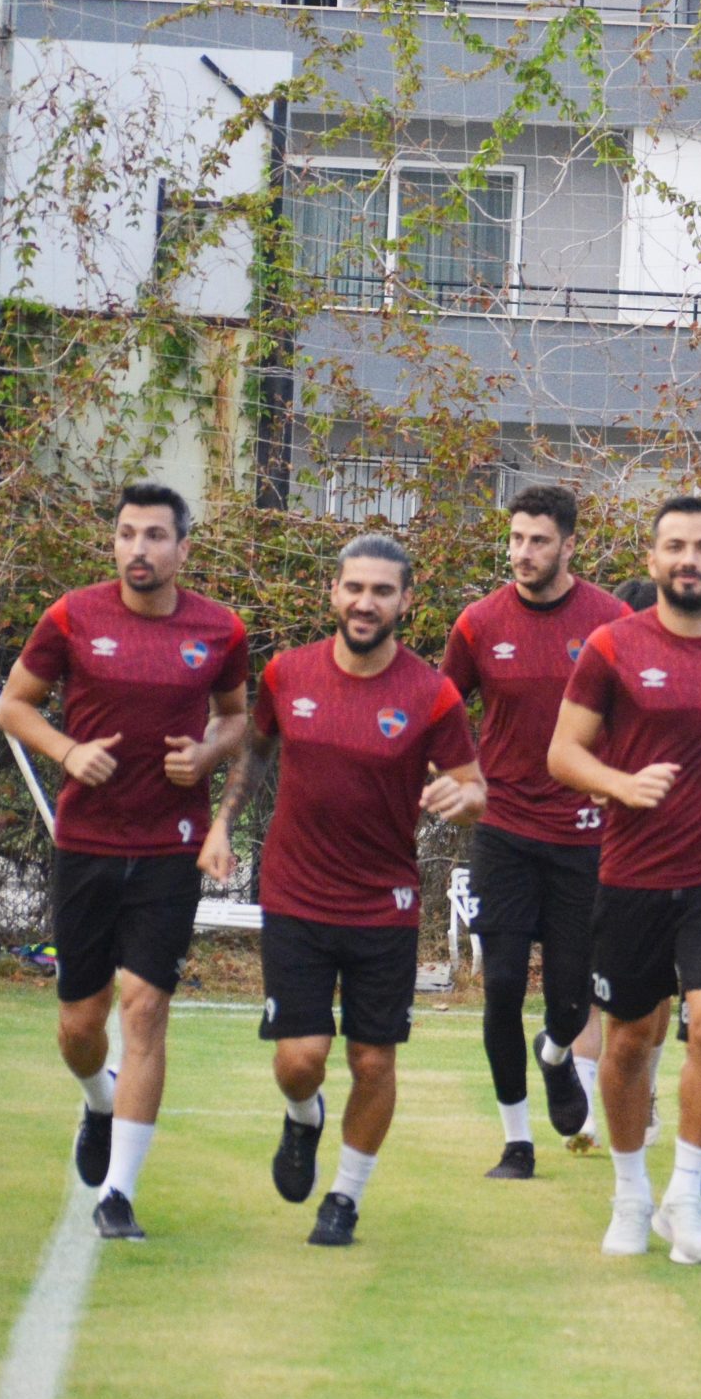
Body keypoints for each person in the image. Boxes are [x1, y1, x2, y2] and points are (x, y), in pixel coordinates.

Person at [203, 534, 484, 1246]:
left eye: (382, 590)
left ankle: (345, 1198)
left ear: (405, 601)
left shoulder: (432, 693)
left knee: (373, 1060)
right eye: (354, 587)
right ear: (334, 592)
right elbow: (256, 751)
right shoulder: (287, 674)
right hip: (295, 895)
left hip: (384, 905)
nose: (365, 602)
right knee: (300, 1060)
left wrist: (463, 798)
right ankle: (304, 1117)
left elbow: (474, 786)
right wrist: (222, 825)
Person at [0, 483, 251, 1241]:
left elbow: (237, 718)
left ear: (183, 548)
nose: (138, 548)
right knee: (80, 1025)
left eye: (155, 535)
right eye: (127, 534)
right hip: (88, 844)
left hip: (172, 844)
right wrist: (67, 750)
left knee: (145, 1005)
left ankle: (119, 1192)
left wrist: (206, 752)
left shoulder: (220, 628)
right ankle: (98, 1099)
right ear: (114, 543)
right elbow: (14, 704)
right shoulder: (72, 616)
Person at [549, 496, 701, 1266]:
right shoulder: (612, 646)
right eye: (676, 546)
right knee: (627, 1042)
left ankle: (685, 1199)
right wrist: (621, 784)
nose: (690, 558)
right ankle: (631, 1195)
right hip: (633, 873)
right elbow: (563, 752)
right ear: (653, 559)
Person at [439, 484, 632, 1179]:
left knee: (574, 997)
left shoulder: (611, 623)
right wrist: (459, 778)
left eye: (538, 540)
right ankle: (516, 1142)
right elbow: (440, 710)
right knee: (499, 984)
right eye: (516, 538)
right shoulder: (478, 623)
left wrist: (618, 782)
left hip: (585, 836)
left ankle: (555, 1054)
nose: (522, 552)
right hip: (504, 831)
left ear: (569, 545)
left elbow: (640, 715)